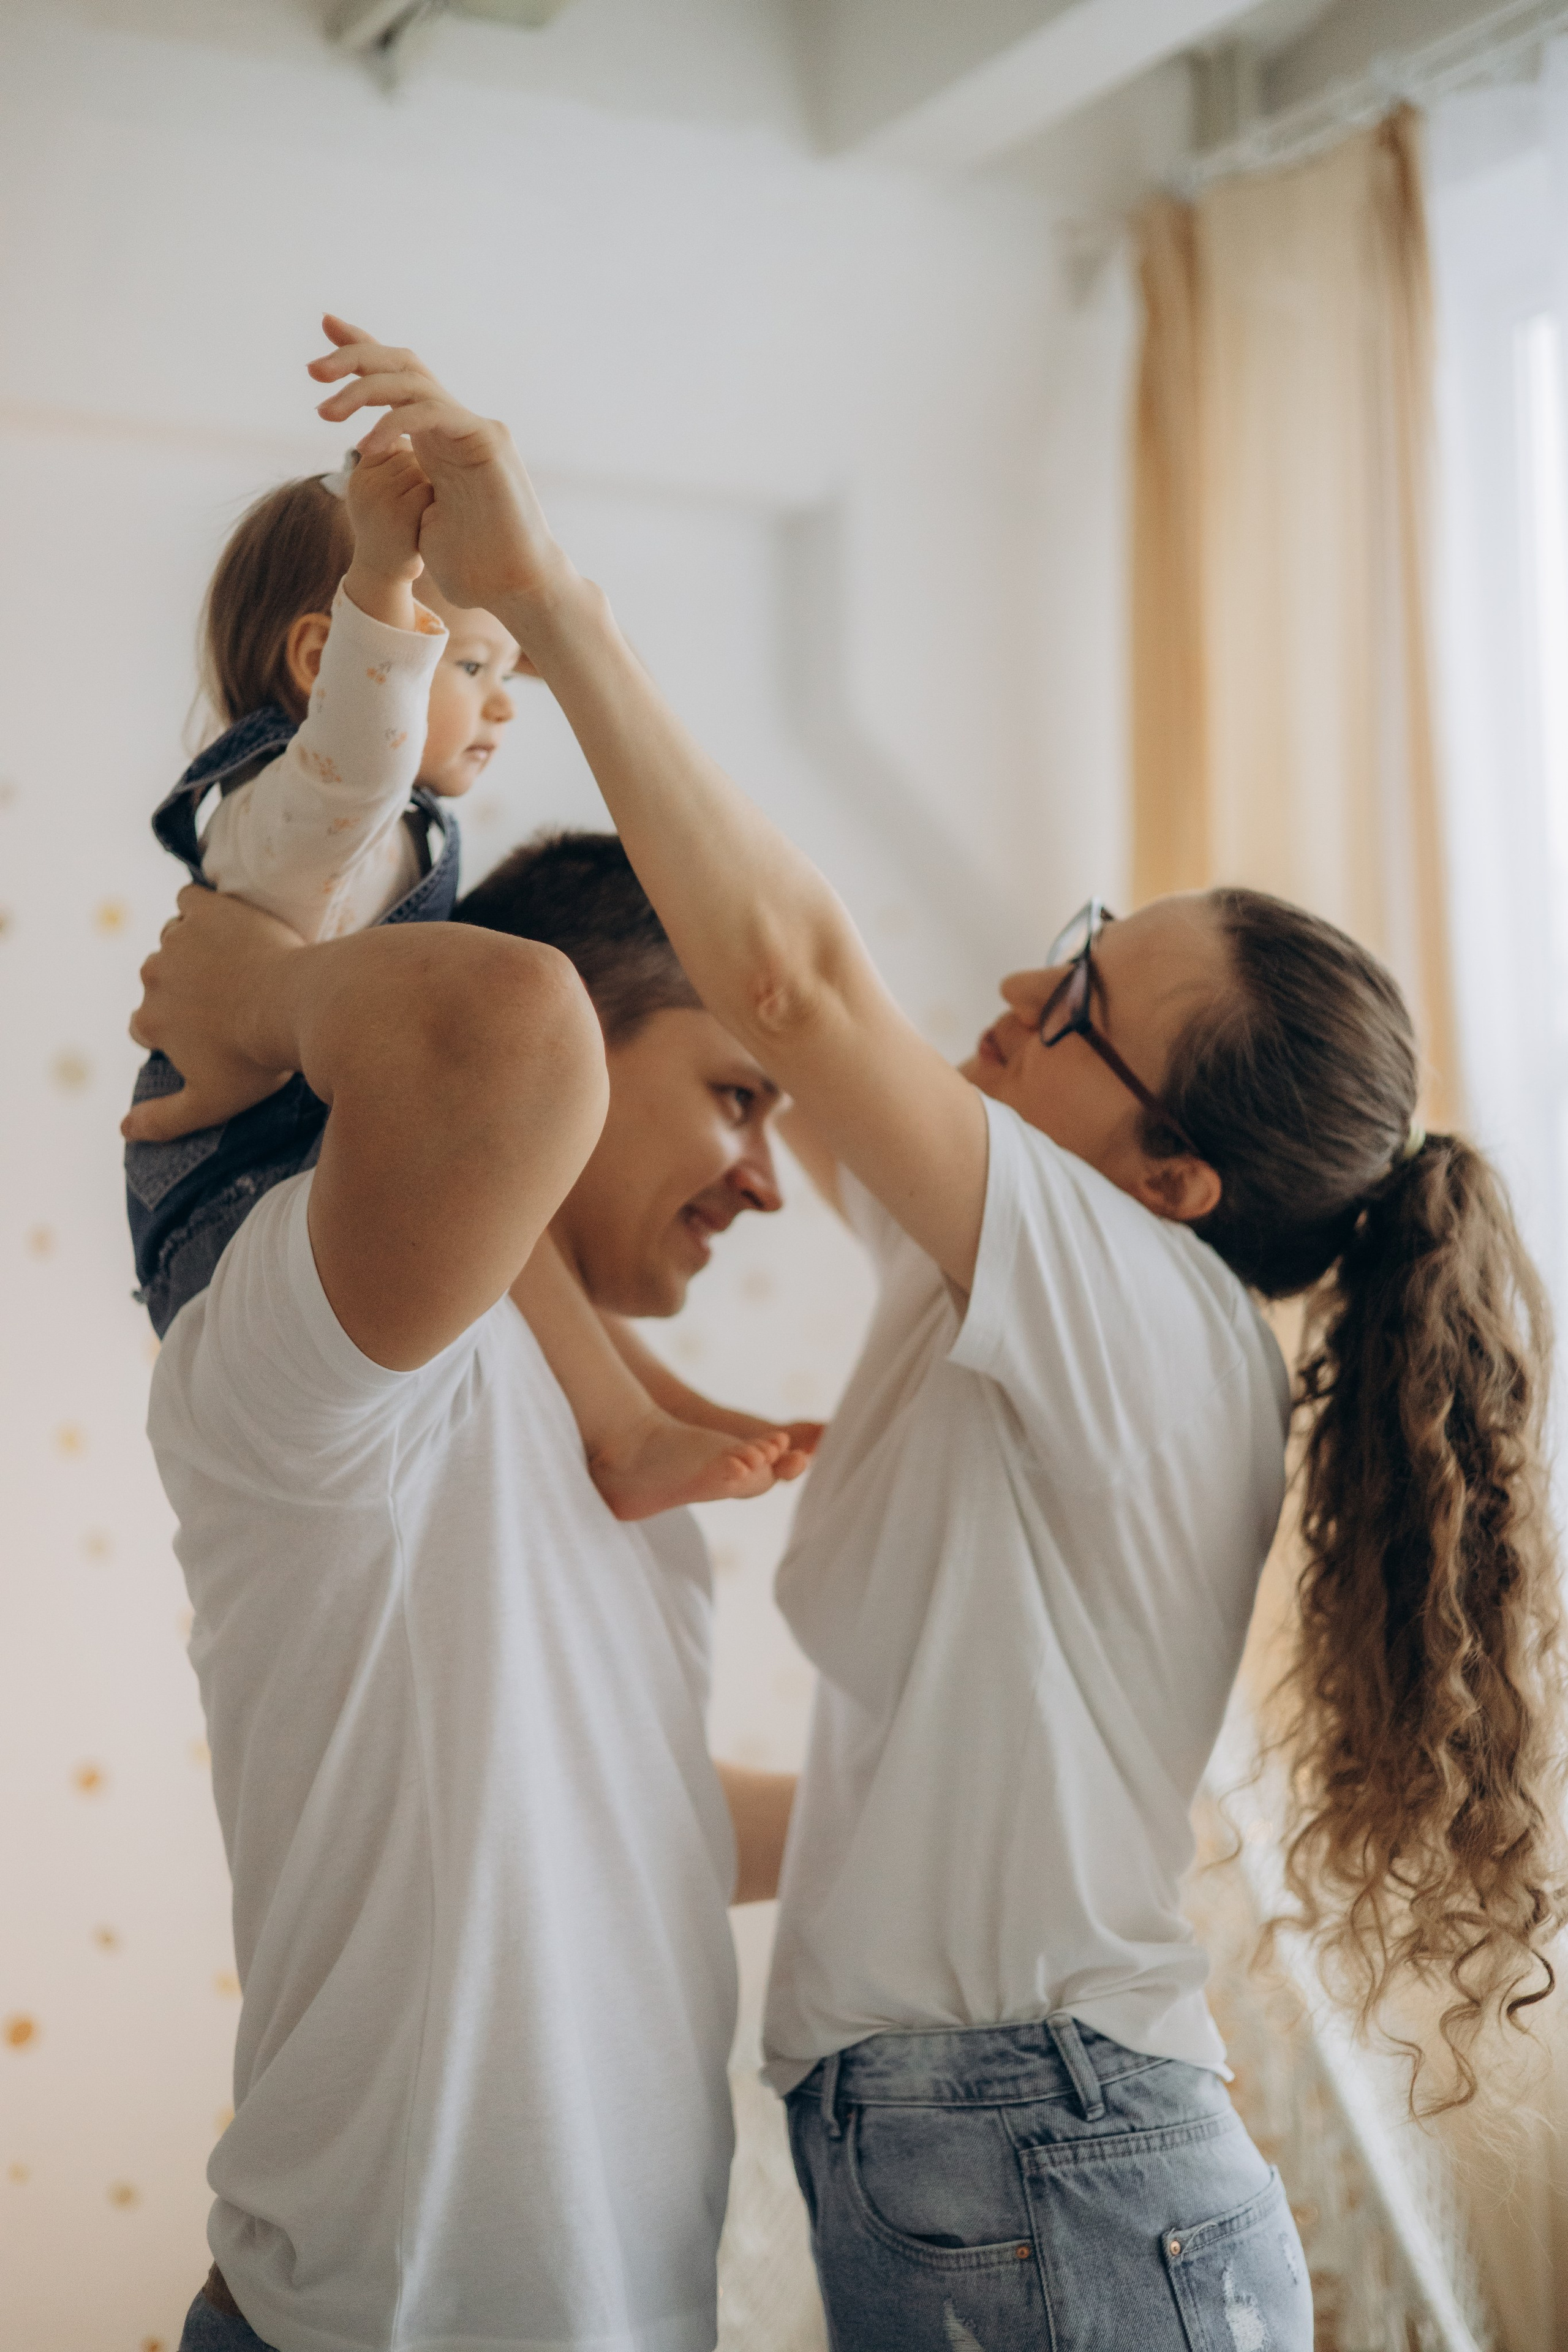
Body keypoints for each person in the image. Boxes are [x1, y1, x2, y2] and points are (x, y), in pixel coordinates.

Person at [304, 317, 1568, 2351]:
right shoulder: (1056, 1325)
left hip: (1038, 2164)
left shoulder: (1132, 1304)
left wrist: (543, 597)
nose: (1013, 984)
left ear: (1174, 1183)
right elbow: (735, 1026)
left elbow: (795, 984)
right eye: (1081, 936)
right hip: (1006, 2156)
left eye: (1075, 1003)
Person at [124, 823, 799, 2352]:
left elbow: (614, 1815)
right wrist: (265, 993)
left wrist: (968, 1837)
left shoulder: (618, 1458)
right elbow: (490, 1034)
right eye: (734, 1097)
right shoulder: (339, 1365)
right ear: (590, 1033)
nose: (766, 1182)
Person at [127, 436, 812, 1518]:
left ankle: (646, 1411)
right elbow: (368, 735)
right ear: (327, 661)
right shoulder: (310, 809)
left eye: (503, 672)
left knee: (507, 1216)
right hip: (239, 1190)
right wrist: (381, 578)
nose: (502, 705)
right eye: (473, 666)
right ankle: (630, 1429)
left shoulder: (361, 817)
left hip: (294, 1156)